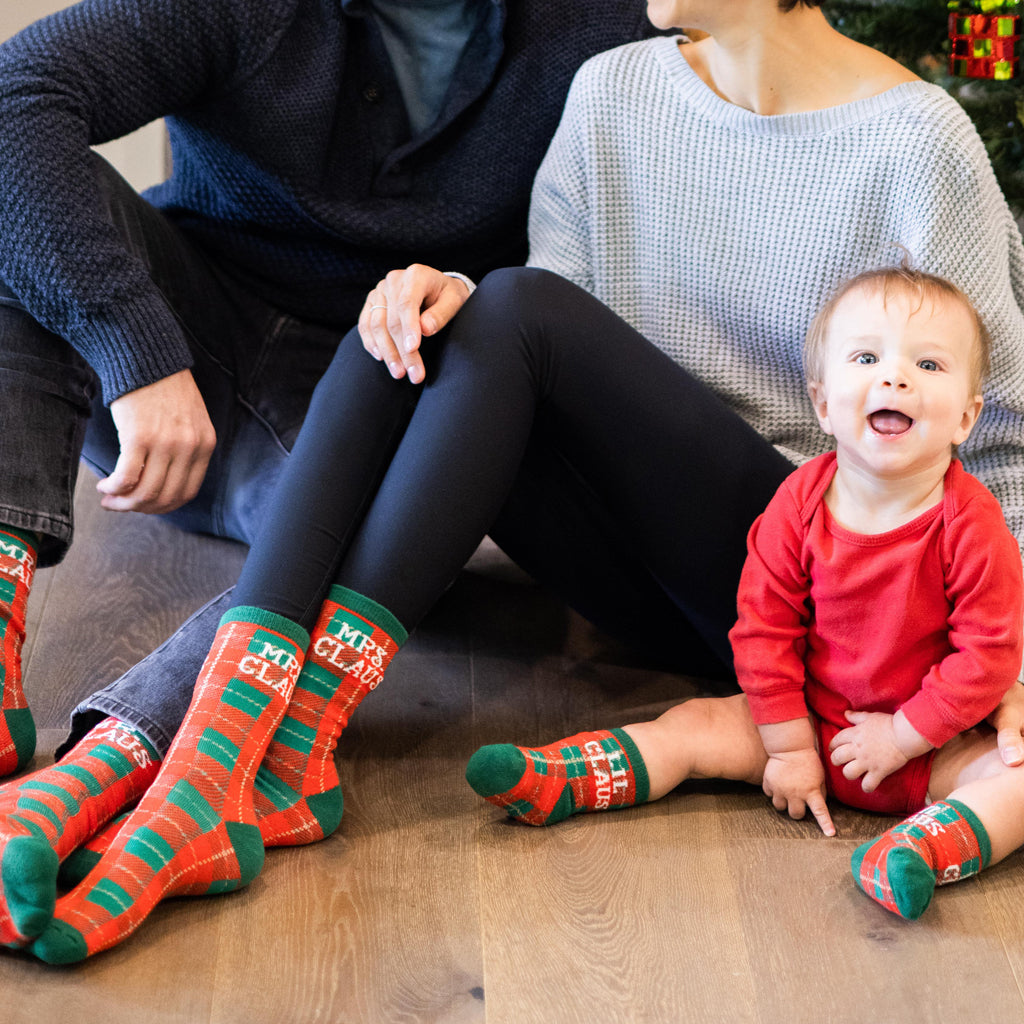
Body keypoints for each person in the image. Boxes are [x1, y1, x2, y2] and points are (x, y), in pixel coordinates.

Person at [3, 0, 1024, 960]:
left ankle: (183, 759)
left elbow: (1003, 429)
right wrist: (436, 299)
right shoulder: (615, 88)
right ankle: (239, 758)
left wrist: (1014, 650)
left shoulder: (916, 141)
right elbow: (541, 348)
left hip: (834, 585)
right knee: (409, 327)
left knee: (497, 307)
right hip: (645, 580)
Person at [0, 0, 655, 777]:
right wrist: (137, 352)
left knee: (370, 542)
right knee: (26, 200)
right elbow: (15, 96)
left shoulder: (609, 25)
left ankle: (121, 755)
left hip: (382, 392)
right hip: (178, 351)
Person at [467, 265, 1024, 921]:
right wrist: (788, 747)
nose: (895, 377)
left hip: (932, 744)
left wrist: (903, 737)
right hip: (807, 721)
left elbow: (988, 654)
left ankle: (917, 851)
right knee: (693, 725)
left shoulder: (972, 524)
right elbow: (764, 630)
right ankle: (562, 778)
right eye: (867, 358)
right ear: (823, 403)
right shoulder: (798, 505)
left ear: (966, 417)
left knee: (1016, 779)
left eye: (928, 364)